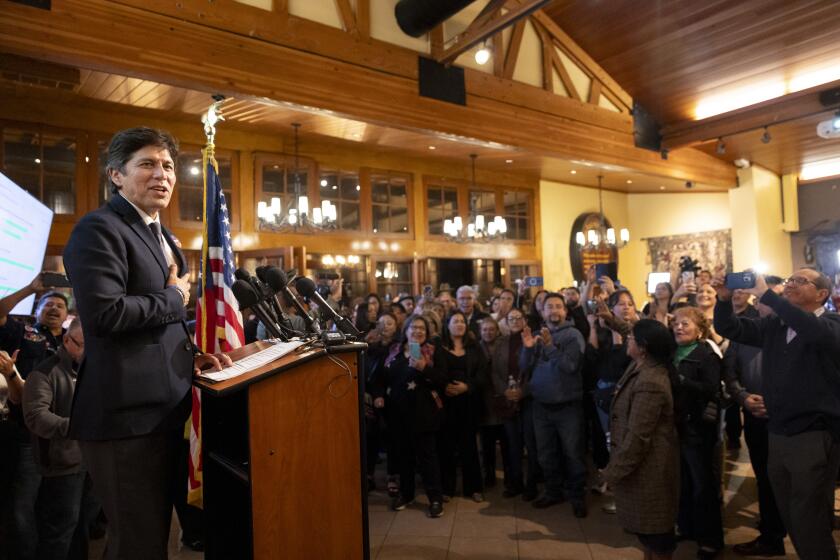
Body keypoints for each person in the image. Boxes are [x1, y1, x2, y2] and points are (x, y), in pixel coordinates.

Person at [62, 127, 231, 560]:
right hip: (125, 418)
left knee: (150, 540)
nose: (163, 174)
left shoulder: (163, 233)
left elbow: (159, 327)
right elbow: (106, 315)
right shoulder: (98, 228)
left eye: (169, 166)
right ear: (116, 175)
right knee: (137, 544)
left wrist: (189, 357)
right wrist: (174, 297)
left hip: (164, 409)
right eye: (148, 164)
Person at [713, 270, 840, 560]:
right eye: (790, 281)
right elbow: (730, 328)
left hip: (813, 433)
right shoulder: (776, 325)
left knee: (809, 514)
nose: (791, 284)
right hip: (778, 432)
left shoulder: (831, 324)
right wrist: (722, 300)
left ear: (821, 294)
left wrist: (767, 294)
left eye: (800, 281)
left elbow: (812, 330)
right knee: (789, 512)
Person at [0, 283, 69, 560]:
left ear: (67, 316)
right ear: (37, 311)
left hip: (65, 437)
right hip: (26, 433)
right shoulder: (22, 332)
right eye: (47, 304)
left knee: (60, 509)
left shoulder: (74, 340)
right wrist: (30, 289)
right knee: (22, 506)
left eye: (59, 306)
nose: (53, 308)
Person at [603, 319, 680, 560]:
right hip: (643, 470)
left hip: (650, 471)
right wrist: (608, 317)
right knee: (647, 535)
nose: (627, 339)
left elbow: (638, 437)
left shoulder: (650, 381)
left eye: (631, 339)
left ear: (644, 347)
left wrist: (612, 474)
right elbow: (634, 332)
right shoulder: (644, 364)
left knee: (656, 538)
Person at [21, 318, 93, 560]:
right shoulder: (44, 372)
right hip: (61, 466)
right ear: (66, 340)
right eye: (82, 345)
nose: (87, 353)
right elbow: (36, 417)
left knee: (82, 529)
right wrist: (76, 427)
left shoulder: (94, 370)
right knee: (58, 533)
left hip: (92, 463)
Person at [723, 291, 786, 557]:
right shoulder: (746, 333)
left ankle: (792, 526)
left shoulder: (792, 333)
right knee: (764, 477)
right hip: (754, 414)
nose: (766, 304)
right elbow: (730, 372)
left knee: (791, 478)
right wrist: (744, 397)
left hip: (787, 417)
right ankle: (772, 534)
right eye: (762, 299)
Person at [520, 293, 588, 517]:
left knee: (572, 454)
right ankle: (553, 491)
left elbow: (571, 366)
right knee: (545, 454)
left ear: (565, 311)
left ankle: (577, 496)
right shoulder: (537, 334)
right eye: (549, 307)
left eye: (559, 307)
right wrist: (529, 348)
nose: (554, 311)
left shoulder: (573, 335)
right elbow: (524, 367)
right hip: (541, 405)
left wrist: (549, 347)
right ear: (542, 312)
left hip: (567, 406)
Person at [379, 315, 449, 518]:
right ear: (406, 331)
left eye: (422, 329)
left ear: (426, 333)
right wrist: (377, 395)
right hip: (399, 415)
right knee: (404, 458)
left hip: (425, 415)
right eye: (414, 328)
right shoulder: (394, 351)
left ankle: (435, 498)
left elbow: (443, 380)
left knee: (428, 459)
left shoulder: (434, 352)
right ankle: (406, 494)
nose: (417, 331)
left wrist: (424, 368)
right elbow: (382, 378)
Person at [671, 307, 724, 559]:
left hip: (697, 427)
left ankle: (710, 540)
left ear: (700, 330)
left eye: (685, 324)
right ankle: (687, 526)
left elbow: (712, 389)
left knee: (703, 485)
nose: (679, 327)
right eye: (676, 324)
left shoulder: (706, 354)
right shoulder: (671, 352)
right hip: (675, 426)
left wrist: (682, 381)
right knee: (682, 481)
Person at [438, 310, 487, 502]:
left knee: (470, 448)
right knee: (446, 448)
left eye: (462, 321)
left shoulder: (474, 347)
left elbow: (483, 374)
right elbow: (433, 371)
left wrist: (467, 387)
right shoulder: (439, 347)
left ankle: (473, 488)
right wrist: (445, 387)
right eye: (455, 321)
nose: (459, 324)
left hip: (468, 403)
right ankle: (446, 489)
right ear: (447, 325)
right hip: (446, 403)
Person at [367, 312, 400, 495]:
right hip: (373, 398)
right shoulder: (371, 347)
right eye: (382, 323)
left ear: (396, 327)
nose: (386, 326)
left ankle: (392, 475)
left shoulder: (398, 347)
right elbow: (370, 373)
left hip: (394, 397)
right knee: (371, 437)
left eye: (390, 323)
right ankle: (369, 475)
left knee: (392, 438)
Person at [477, 317, 512, 492]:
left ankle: (509, 475)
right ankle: (489, 474)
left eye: (491, 329)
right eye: (485, 329)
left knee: (506, 443)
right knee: (487, 443)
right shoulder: (476, 348)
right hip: (484, 401)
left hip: (502, 398)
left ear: (497, 330)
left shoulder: (505, 345)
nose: (488, 332)